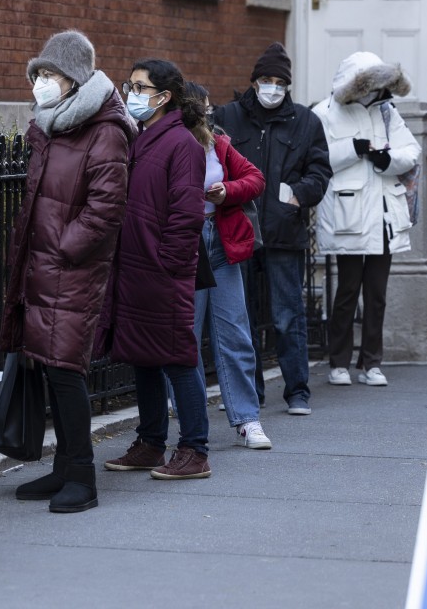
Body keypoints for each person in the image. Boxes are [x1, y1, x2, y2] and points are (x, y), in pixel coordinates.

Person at [0, 31, 134, 512]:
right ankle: (63, 468)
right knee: (50, 366)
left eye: (49, 75)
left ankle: (82, 476)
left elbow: (105, 208)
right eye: (38, 75)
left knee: (66, 368)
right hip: (45, 263)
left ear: (74, 79)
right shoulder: (53, 125)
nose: (40, 83)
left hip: (72, 266)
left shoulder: (106, 129)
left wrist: (62, 246)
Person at [99, 59, 212, 479]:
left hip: (163, 273)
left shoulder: (180, 143)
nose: (131, 93)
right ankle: (150, 443)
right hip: (135, 270)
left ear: (164, 97)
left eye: (140, 87)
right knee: (143, 357)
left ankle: (195, 450)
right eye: (130, 85)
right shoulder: (141, 138)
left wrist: (167, 267)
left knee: (178, 360)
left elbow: (186, 216)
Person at [211, 43, 331, 416]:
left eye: (280, 82)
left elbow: (320, 171)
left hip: (283, 231)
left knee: (287, 315)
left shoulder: (306, 122)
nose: (272, 88)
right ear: (254, 81)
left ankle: (297, 391)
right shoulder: (228, 116)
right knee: (240, 315)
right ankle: (252, 393)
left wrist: (298, 195)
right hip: (238, 230)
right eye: (266, 80)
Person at [312, 52, 421, 386]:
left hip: (383, 215)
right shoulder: (324, 112)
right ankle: (339, 362)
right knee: (347, 291)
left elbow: (411, 151)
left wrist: (385, 158)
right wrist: (354, 149)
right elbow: (316, 158)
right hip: (348, 213)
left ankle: (372, 361)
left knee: (376, 293)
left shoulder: (387, 110)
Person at [184, 81, 271, 449]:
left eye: (210, 109)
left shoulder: (217, 143)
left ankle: (247, 419)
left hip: (219, 242)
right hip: (185, 244)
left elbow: (255, 179)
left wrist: (226, 192)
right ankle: (193, 420)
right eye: (203, 109)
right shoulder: (167, 143)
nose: (209, 115)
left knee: (235, 332)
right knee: (186, 336)